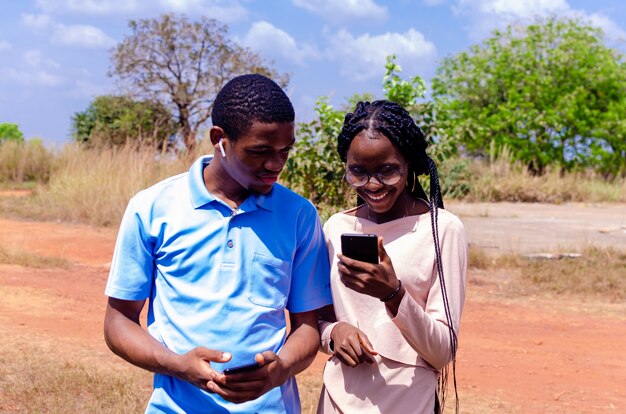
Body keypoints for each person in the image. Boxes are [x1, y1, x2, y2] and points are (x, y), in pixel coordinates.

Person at [103, 74, 332, 413]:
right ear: (219, 140)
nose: (276, 165)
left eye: (285, 150)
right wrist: (177, 364)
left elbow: (307, 327)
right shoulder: (152, 208)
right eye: (260, 152)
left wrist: (278, 370)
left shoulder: (299, 216)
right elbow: (118, 322)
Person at [317, 100, 468, 414]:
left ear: (409, 164)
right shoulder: (336, 227)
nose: (372, 185)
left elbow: (442, 352)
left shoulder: (442, 229)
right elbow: (315, 322)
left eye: (387, 171)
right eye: (358, 172)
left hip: (409, 401)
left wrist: (393, 294)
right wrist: (335, 333)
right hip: (337, 399)